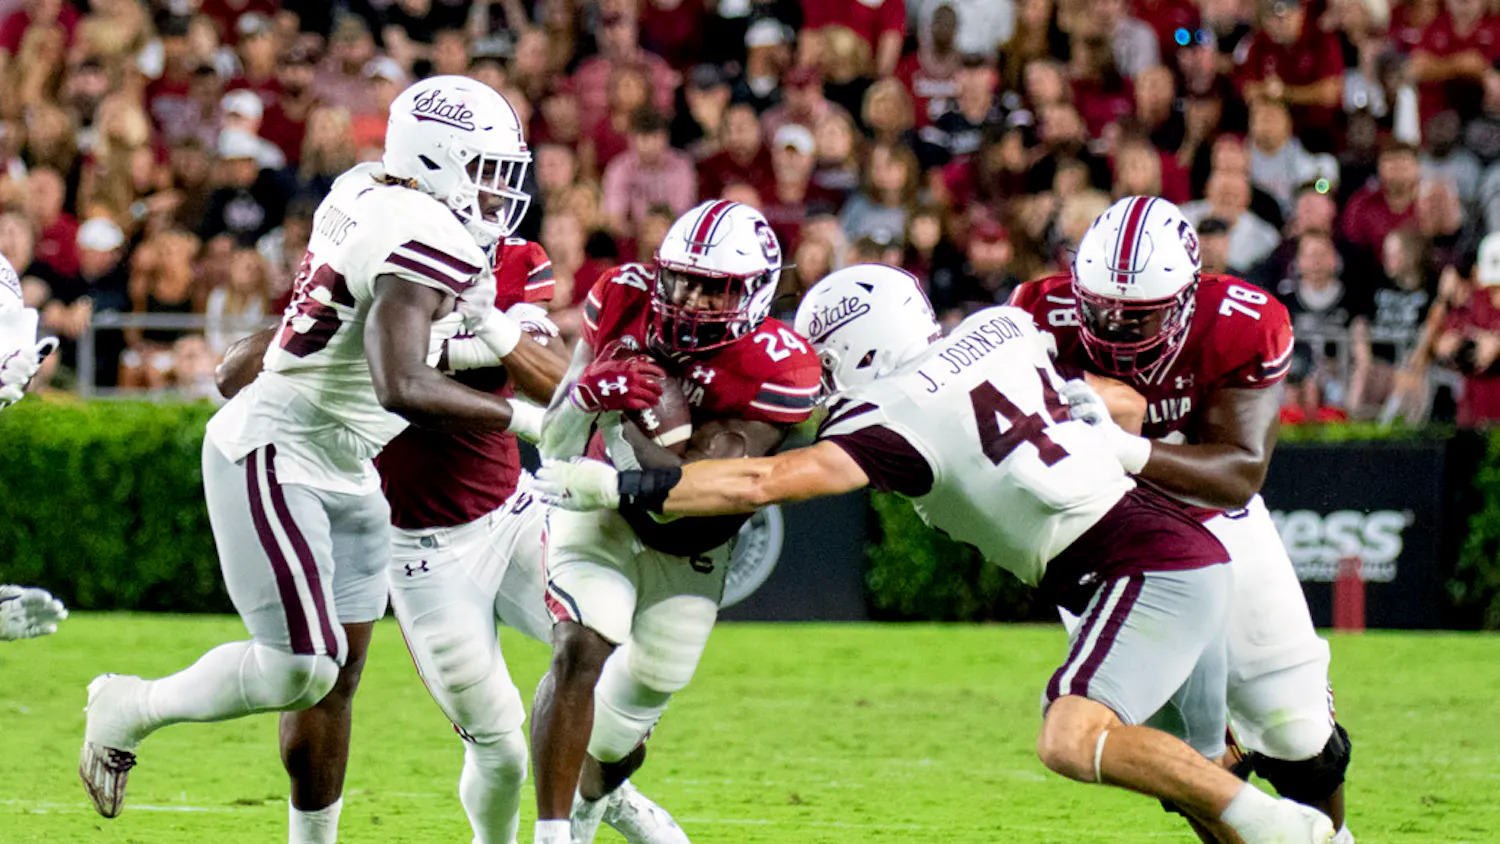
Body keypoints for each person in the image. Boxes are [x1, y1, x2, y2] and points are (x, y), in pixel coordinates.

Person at [535, 263, 1335, 844]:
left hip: (1138, 565)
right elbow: (1119, 402)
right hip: (1166, 544)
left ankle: (1296, 828)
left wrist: (608, 488)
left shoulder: (893, 413)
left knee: (1073, 738)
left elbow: (757, 483)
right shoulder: (1005, 326)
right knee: (1197, 783)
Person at [77, 76, 551, 844]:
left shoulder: (364, 188)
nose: (500, 194)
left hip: (347, 462)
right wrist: (527, 417)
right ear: (437, 159)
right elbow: (401, 384)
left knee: (336, 683)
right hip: (277, 449)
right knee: (305, 667)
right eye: (486, 170)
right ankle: (129, 705)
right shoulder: (421, 229)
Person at [1008, 197, 1356, 844]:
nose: (1111, 328)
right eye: (1099, 308)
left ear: (1186, 298)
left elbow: (1241, 470)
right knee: (1185, 755)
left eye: (1135, 317)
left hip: (1215, 515)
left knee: (1297, 730)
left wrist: (1129, 450)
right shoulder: (1033, 313)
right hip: (1104, 534)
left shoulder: (1240, 321)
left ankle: (1334, 840)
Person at [528, 199, 821, 844]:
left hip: (690, 539)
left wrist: (624, 449)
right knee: (580, 646)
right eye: (680, 279)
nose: (689, 300)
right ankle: (550, 837)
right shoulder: (622, 296)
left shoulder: (778, 363)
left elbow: (707, 483)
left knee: (622, 730)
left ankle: (601, 800)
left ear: (753, 294)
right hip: (600, 513)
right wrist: (587, 394)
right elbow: (554, 439)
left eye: (713, 291)